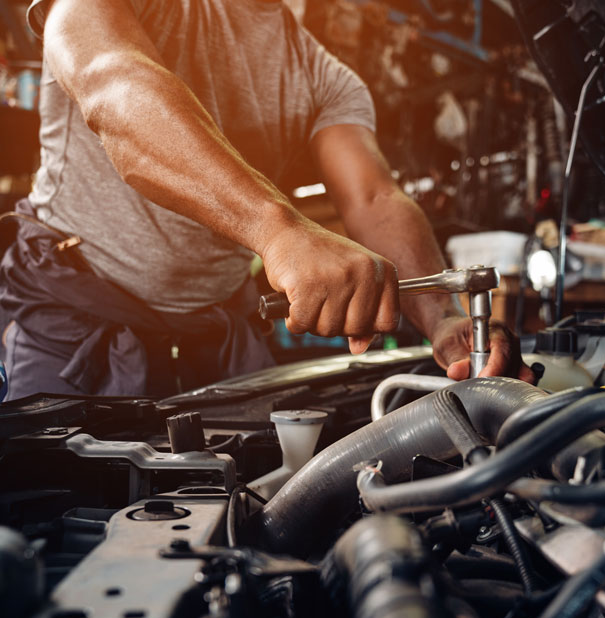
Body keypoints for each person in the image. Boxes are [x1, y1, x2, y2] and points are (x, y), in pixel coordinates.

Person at [0, 0, 534, 399]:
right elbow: (110, 85)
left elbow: (373, 198)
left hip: (216, 336)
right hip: (72, 328)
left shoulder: (325, 77)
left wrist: (441, 317)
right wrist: (281, 231)